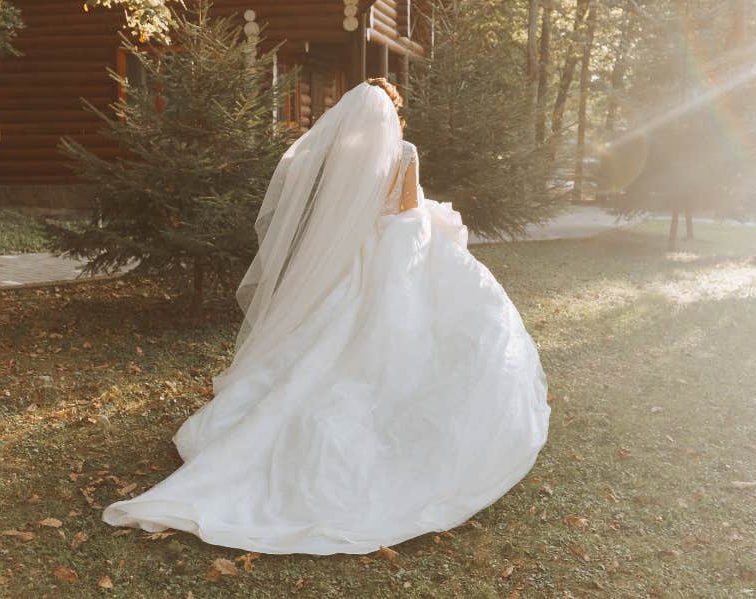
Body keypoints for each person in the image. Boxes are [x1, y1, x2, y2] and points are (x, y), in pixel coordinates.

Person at [103, 79, 550, 555]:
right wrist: (436, 217)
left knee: (326, 339)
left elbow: (345, 213)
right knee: (420, 335)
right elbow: (405, 211)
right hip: (395, 255)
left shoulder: (346, 150)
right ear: (394, 114)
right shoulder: (405, 152)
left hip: (352, 258)